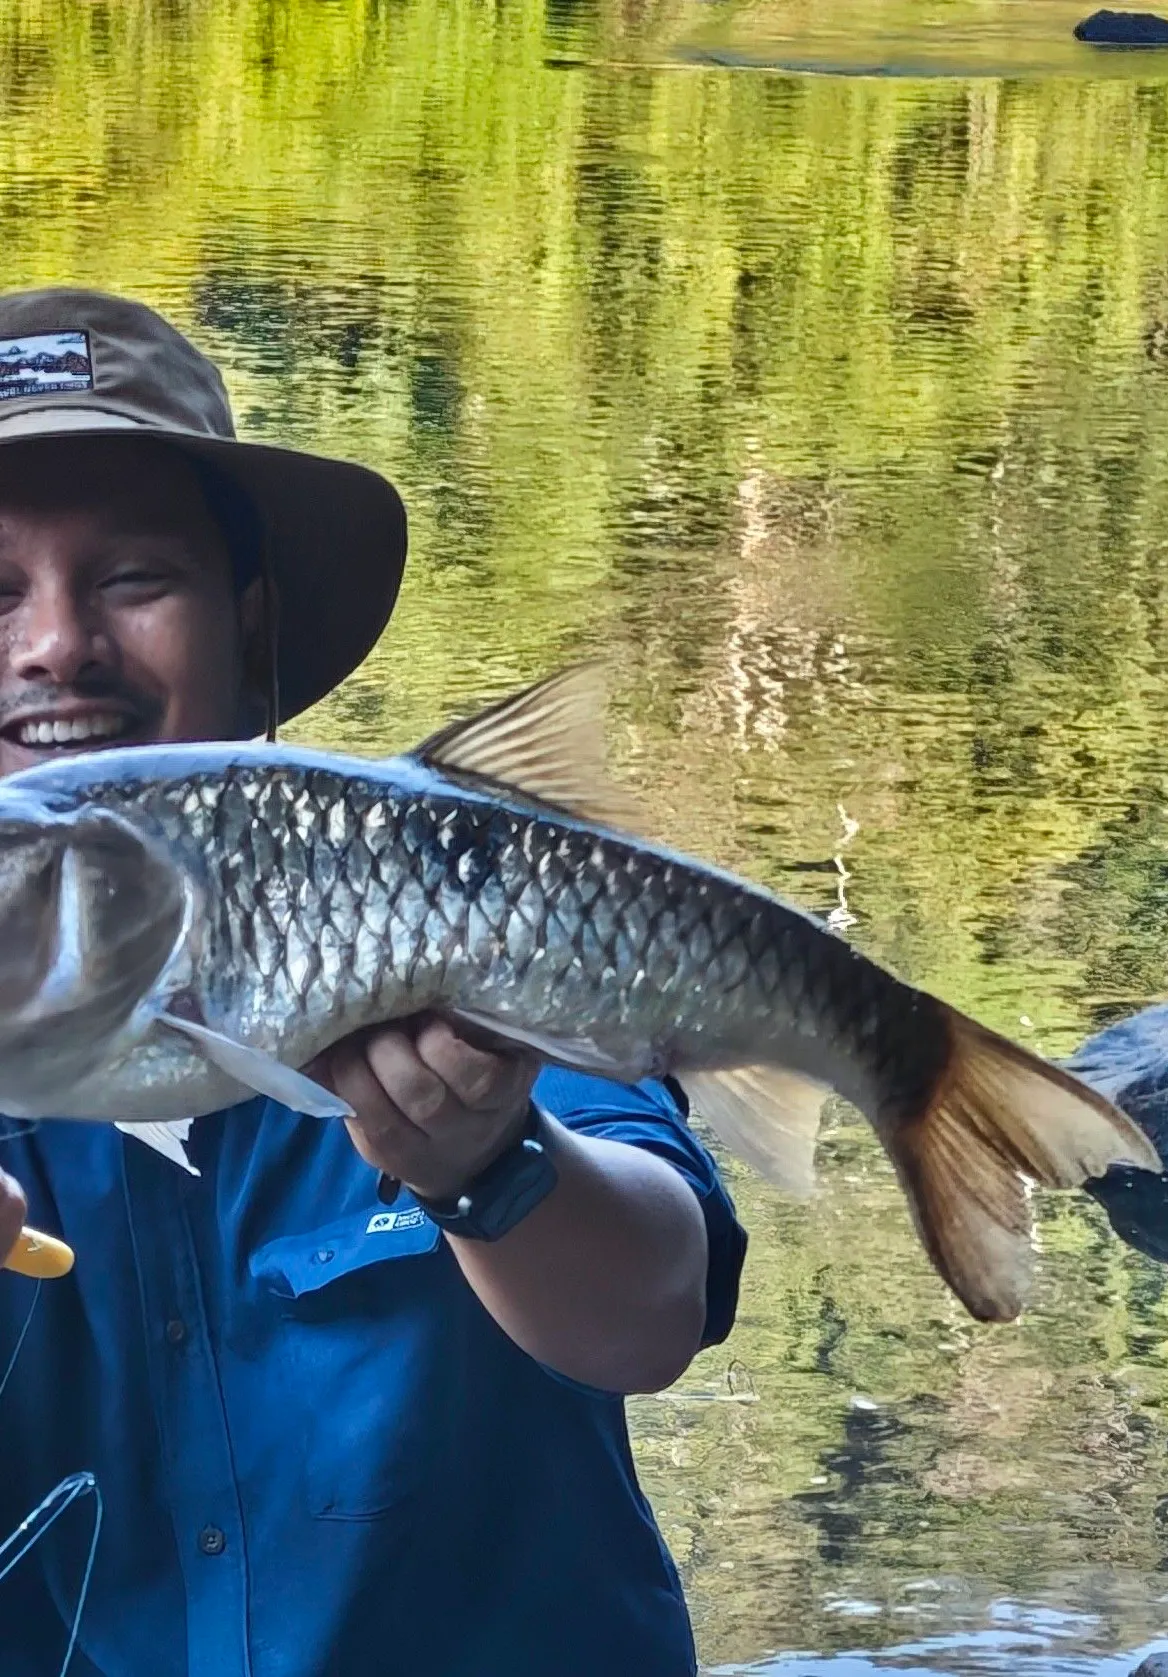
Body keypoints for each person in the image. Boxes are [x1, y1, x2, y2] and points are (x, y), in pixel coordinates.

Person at [0, 288, 747, 1677]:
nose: (55, 645)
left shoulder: (431, 892)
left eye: (133, 578)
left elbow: (656, 1307)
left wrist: (493, 1166)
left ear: (252, 622)